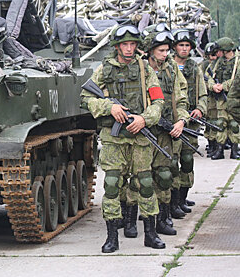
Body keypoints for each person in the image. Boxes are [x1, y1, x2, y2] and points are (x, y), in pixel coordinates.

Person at [81, 24, 165, 253]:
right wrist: (109, 106)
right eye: (124, 45)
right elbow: (85, 98)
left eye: (132, 44)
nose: (129, 49)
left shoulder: (145, 69)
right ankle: (111, 237)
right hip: (113, 137)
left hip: (139, 136)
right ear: (117, 46)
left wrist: (144, 119)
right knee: (111, 185)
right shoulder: (104, 69)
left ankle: (150, 234)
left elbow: (158, 101)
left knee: (145, 183)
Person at [144, 29, 190, 236]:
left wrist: (181, 120)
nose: (165, 54)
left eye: (167, 50)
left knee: (164, 175)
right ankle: (134, 221)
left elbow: (180, 98)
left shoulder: (171, 69)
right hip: (142, 130)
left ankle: (162, 219)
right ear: (151, 50)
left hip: (166, 131)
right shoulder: (140, 68)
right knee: (141, 179)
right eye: (161, 50)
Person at [171, 29, 207, 213]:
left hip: (190, 124)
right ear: (174, 47)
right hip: (172, 122)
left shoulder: (195, 67)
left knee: (186, 160)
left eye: (187, 46)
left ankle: (181, 198)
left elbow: (202, 92)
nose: (184, 49)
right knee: (169, 163)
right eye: (181, 45)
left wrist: (200, 109)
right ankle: (171, 201)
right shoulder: (168, 66)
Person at [206, 37, 240, 159]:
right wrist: (213, 86)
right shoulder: (217, 63)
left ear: (225, 50)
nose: (217, 53)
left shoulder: (238, 61)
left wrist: (224, 86)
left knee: (234, 124)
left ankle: (235, 150)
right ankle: (219, 150)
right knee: (220, 124)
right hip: (219, 99)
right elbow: (207, 76)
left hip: (234, 99)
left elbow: (237, 79)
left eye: (219, 51)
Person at [201, 42, 220, 157]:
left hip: (219, 97)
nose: (213, 58)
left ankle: (219, 144)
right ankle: (212, 144)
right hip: (209, 97)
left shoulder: (218, 65)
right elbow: (203, 80)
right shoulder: (204, 66)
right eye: (211, 56)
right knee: (210, 121)